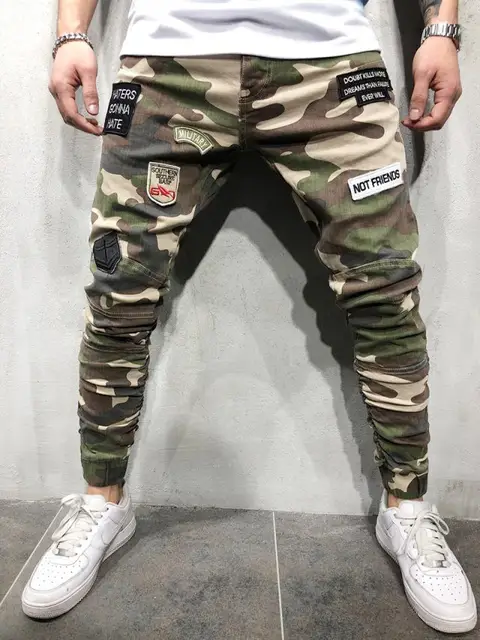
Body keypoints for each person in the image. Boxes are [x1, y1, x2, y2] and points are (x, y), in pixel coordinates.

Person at [21, 0, 475, 633]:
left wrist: (441, 29)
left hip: (332, 63)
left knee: (385, 292)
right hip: (167, 63)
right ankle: (102, 504)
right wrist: (71, 33)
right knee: (119, 289)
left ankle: (408, 510)